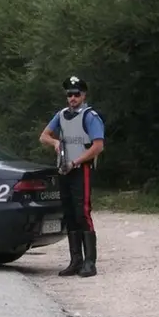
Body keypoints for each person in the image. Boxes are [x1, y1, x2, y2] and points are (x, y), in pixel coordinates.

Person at [39, 76, 105, 277]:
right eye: (70, 94)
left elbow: (98, 146)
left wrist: (76, 161)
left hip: (80, 169)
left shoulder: (90, 116)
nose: (73, 98)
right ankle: (75, 260)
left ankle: (89, 262)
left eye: (76, 94)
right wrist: (55, 143)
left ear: (83, 95)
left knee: (82, 212)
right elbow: (44, 136)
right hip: (64, 170)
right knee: (69, 213)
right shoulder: (61, 115)